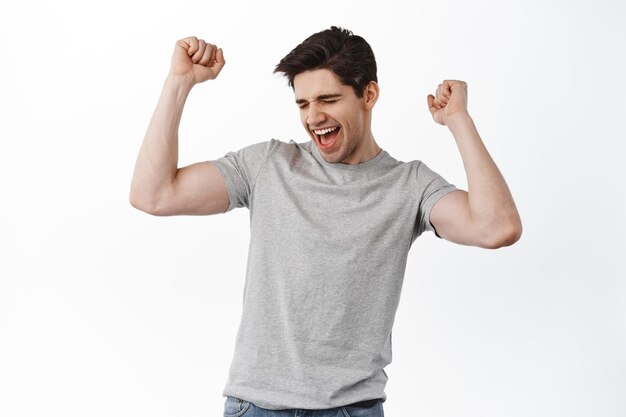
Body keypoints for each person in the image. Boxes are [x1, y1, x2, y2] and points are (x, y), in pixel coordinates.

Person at [129, 26, 522, 417]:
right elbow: (153, 194)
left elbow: (497, 228)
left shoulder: (409, 186)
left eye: (328, 100)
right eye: (302, 104)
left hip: (351, 409)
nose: (314, 117)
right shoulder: (269, 165)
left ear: (368, 94)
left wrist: (458, 120)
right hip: (257, 406)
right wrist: (178, 84)